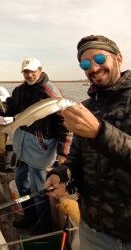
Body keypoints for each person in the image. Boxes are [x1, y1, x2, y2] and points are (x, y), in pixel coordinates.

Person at [45, 35, 131, 249]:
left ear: (118, 59)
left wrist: (100, 132)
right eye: (85, 64)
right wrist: (61, 174)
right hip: (92, 228)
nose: (93, 68)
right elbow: (76, 156)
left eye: (100, 59)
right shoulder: (86, 107)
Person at [0, 57, 72, 233]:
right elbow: (9, 108)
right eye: (26, 72)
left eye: (33, 71)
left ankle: (43, 225)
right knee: (21, 182)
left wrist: (63, 152)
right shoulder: (19, 90)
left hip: (41, 147)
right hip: (21, 144)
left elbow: (64, 124)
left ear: (40, 69)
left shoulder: (51, 92)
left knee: (38, 189)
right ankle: (30, 216)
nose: (29, 74)